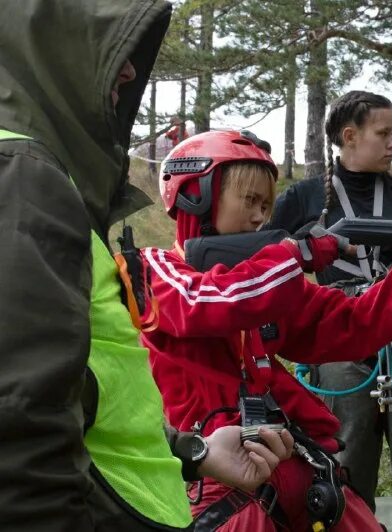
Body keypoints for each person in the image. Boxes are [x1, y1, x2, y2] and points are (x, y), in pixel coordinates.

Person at [0, 1, 295, 530]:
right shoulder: (25, 179)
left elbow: (86, 396)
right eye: (99, 39)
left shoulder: (37, 180)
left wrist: (193, 451)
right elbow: (19, 421)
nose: (132, 70)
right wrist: (301, 255)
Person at [141, 129, 392, 530]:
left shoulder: (268, 283)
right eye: (249, 200)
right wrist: (295, 255)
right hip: (219, 480)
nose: (259, 217)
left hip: (295, 462)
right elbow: (211, 302)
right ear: (197, 197)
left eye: (265, 205)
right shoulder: (154, 268)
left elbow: (350, 323)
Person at [268, 90, 392, 532]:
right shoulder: (304, 196)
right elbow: (263, 262)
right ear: (350, 136)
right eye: (384, 133)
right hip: (339, 341)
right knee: (343, 462)